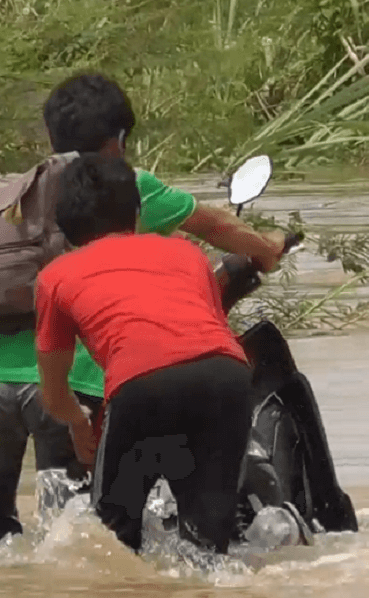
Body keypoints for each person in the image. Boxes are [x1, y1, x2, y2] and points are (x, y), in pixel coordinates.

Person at [0, 71, 285, 550]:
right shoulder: (123, 188)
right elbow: (215, 226)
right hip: (80, 383)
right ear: (120, 142)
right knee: (102, 533)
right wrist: (267, 249)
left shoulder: (19, 196)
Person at [35, 153, 258, 555]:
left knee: (112, 542)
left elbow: (53, 389)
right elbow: (210, 326)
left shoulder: (55, 277)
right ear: (136, 213)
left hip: (140, 384)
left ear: (62, 225)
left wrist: (79, 424)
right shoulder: (186, 253)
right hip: (228, 375)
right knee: (209, 543)